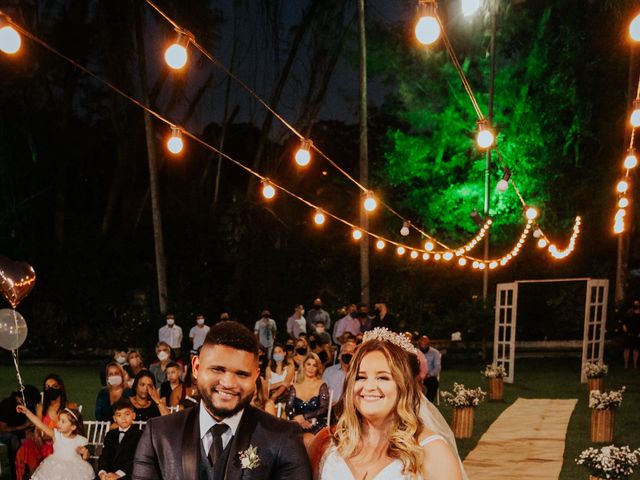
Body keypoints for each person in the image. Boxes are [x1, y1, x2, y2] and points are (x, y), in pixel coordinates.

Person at [132, 320, 312, 479]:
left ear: (255, 376)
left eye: (241, 374)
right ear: (196, 367)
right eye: (217, 369)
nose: (228, 383)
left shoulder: (284, 437)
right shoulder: (158, 435)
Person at [318, 328, 463, 480]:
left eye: (383, 377)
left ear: (404, 386)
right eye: (360, 377)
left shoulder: (432, 451)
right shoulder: (333, 444)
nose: (368, 387)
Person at [15, 374, 79, 478]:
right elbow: (38, 427)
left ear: (60, 387)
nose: (51, 389)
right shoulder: (41, 407)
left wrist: (48, 436)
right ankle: (34, 477)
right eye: (47, 387)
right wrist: (37, 433)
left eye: (54, 386)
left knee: (49, 450)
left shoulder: (70, 407)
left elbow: (75, 431)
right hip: (42, 442)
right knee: (28, 447)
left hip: (60, 445)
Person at [16, 404, 93, 480]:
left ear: (73, 427)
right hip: (55, 468)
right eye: (59, 420)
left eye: (63, 421)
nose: (58, 423)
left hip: (74, 471)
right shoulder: (56, 435)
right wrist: (26, 412)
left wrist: (85, 454)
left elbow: (85, 455)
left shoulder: (80, 440)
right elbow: (39, 424)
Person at [286, 353, 329, 444]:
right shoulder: (295, 386)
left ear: (318, 368)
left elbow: (324, 409)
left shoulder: (321, 385)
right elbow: (288, 408)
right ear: (304, 366)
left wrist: (304, 417)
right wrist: (298, 420)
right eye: (308, 364)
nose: (311, 368)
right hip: (297, 424)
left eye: (314, 365)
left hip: (316, 424)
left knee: (307, 440)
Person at [97, 398, 143, 480]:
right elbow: (105, 455)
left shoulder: (139, 435)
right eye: (119, 415)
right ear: (114, 418)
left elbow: (136, 459)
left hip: (128, 474)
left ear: (134, 415)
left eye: (127, 414)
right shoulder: (110, 434)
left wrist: (118, 475)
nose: (123, 418)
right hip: (109, 474)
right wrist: (102, 472)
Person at [0, 385, 40, 479]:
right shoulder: (8, 404)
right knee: (14, 439)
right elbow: (2, 429)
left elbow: (31, 423)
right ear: (22, 399)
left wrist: (31, 430)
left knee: (33, 440)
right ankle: (16, 472)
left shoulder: (29, 406)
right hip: (4, 433)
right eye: (31, 403)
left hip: (20, 431)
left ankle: (32, 472)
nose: (32, 405)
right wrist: (24, 427)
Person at [322, 340, 356, 405]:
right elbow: (322, 392)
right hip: (331, 408)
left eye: (351, 352)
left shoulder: (360, 372)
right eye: (345, 351)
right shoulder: (329, 371)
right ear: (339, 355)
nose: (347, 353)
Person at [419, 335, 441, 403]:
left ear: (429, 344)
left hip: (429, 376)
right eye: (421, 345)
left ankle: (428, 403)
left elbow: (437, 367)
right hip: (417, 376)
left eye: (425, 345)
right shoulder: (415, 352)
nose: (423, 346)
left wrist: (429, 374)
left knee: (434, 383)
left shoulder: (435, 353)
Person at [622, 300, 640, 369]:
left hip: (637, 334)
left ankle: (635, 364)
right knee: (627, 349)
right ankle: (626, 364)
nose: (636, 305)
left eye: (637, 304)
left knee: (636, 349)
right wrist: (624, 327)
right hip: (628, 334)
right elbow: (624, 322)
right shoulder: (629, 313)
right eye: (635, 304)